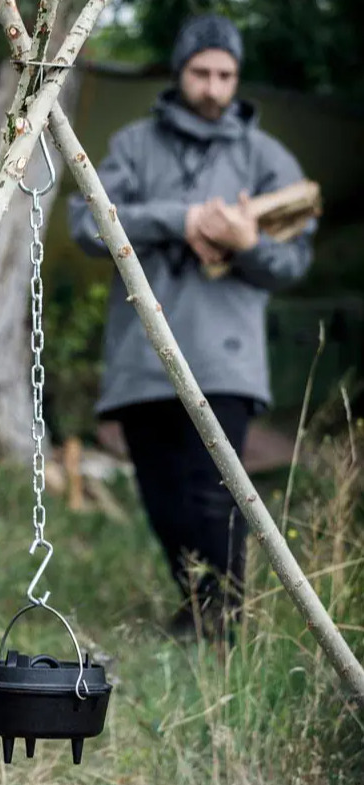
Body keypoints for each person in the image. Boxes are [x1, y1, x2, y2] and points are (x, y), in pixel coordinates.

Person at [68, 13, 314, 637]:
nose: (211, 85)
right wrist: (181, 220)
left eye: (224, 74)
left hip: (226, 357)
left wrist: (244, 241)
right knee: (160, 493)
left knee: (212, 489)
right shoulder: (133, 145)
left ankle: (225, 618)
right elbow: (86, 223)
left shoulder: (266, 157)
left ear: (237, 79)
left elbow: (292, 260)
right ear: (180, 73)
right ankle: (198, 605)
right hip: (142, 352)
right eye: (200, 71)